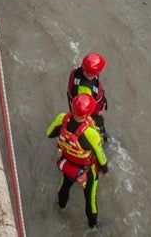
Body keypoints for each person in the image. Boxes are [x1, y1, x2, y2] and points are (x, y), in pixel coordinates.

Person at [47, 91, 108, 229]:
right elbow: (100, 155)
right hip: (87, 169)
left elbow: (49, 133)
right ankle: (93, 226)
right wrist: (105, 170)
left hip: (68, 164)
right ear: (87, 114)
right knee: (90, 198)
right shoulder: (91, 134)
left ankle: (61, 207)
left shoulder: (62, 119)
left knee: (64, 186)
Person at [67, 52, 109, 139]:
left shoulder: (79, 72)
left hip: (87, 111)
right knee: (100, 132)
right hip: (90, 114)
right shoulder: (85, 90)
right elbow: (83, 108)